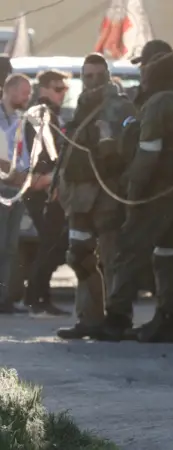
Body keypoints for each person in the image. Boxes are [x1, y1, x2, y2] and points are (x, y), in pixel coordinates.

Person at [99, 40, 173, 343]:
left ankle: (116, 319)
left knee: (129, 251)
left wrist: (131, 192)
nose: (141, 72)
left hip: (155, 195)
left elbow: (148, 154)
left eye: (143, 65)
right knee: (172, 252)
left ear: (153, 66)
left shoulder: (159, 104)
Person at [55, 53, 136, 339]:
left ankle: (117, 319)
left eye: (98, 76)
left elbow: (130, 150)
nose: (92, 81)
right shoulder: (81, 105)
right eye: (87, 76)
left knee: (113, 258)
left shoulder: (121, 106)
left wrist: (109, 143)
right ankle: (89, 319)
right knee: (79, 256)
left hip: (107, 194)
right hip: (78, 196)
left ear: (107, 75)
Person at [22, 69, 72, 316]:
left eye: (64, 89)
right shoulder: (39, 114)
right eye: (58, 88)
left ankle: (40, 296)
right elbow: (37, 151)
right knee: (51, 244)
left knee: (53, 243)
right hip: (42, 188)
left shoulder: (50, 114)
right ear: (42, 89)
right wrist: (48, 178)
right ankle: (36, 298)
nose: (62, 94)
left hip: (49, 186)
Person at [0, 74, 49, 314]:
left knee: (10, 246)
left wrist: (27, 176)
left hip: (17, 189)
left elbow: (24, 154)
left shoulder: (21, 118)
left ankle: (4, 299)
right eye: (24, 92)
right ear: (9, 91)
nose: (27, 97)